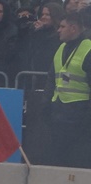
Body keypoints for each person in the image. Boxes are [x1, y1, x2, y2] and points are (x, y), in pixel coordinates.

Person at [44, 13, 91, 168]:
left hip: (80, 115)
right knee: (58, 160)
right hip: (59, 112)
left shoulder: (88, 49)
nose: (58, 30)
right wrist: (46, 104)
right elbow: (51, 79)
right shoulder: (61, 48)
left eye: (62, 27)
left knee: (77, 161)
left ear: (73, 28)